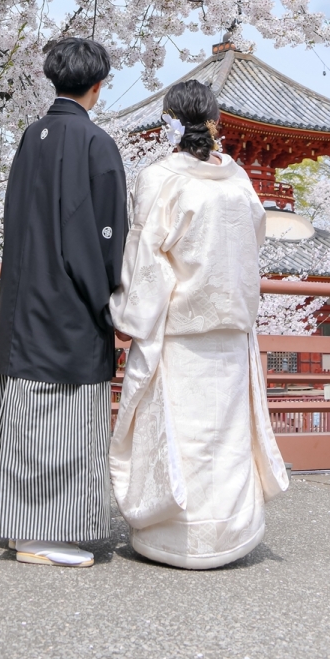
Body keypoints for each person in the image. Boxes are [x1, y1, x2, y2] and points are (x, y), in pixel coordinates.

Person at [109, 79, 288, 570]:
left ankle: (173, 537)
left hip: (180, 329)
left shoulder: (160, 177)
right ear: (215, 120)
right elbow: (252, 247)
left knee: (179, 432)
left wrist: (128, 318)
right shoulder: (239, 182)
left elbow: (149, 261)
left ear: (170, 119)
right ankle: (228, 534)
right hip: (230, 329)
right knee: (225, 436)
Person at [0, 37, 127, 567]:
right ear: (98, 85)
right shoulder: (96, 144)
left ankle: (23, 528)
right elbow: (106, 238)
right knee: (69, 422)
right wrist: (109, 300)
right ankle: (49, 538)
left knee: (28, 417)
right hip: (69, 308)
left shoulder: (30, 136)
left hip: (23, 305)